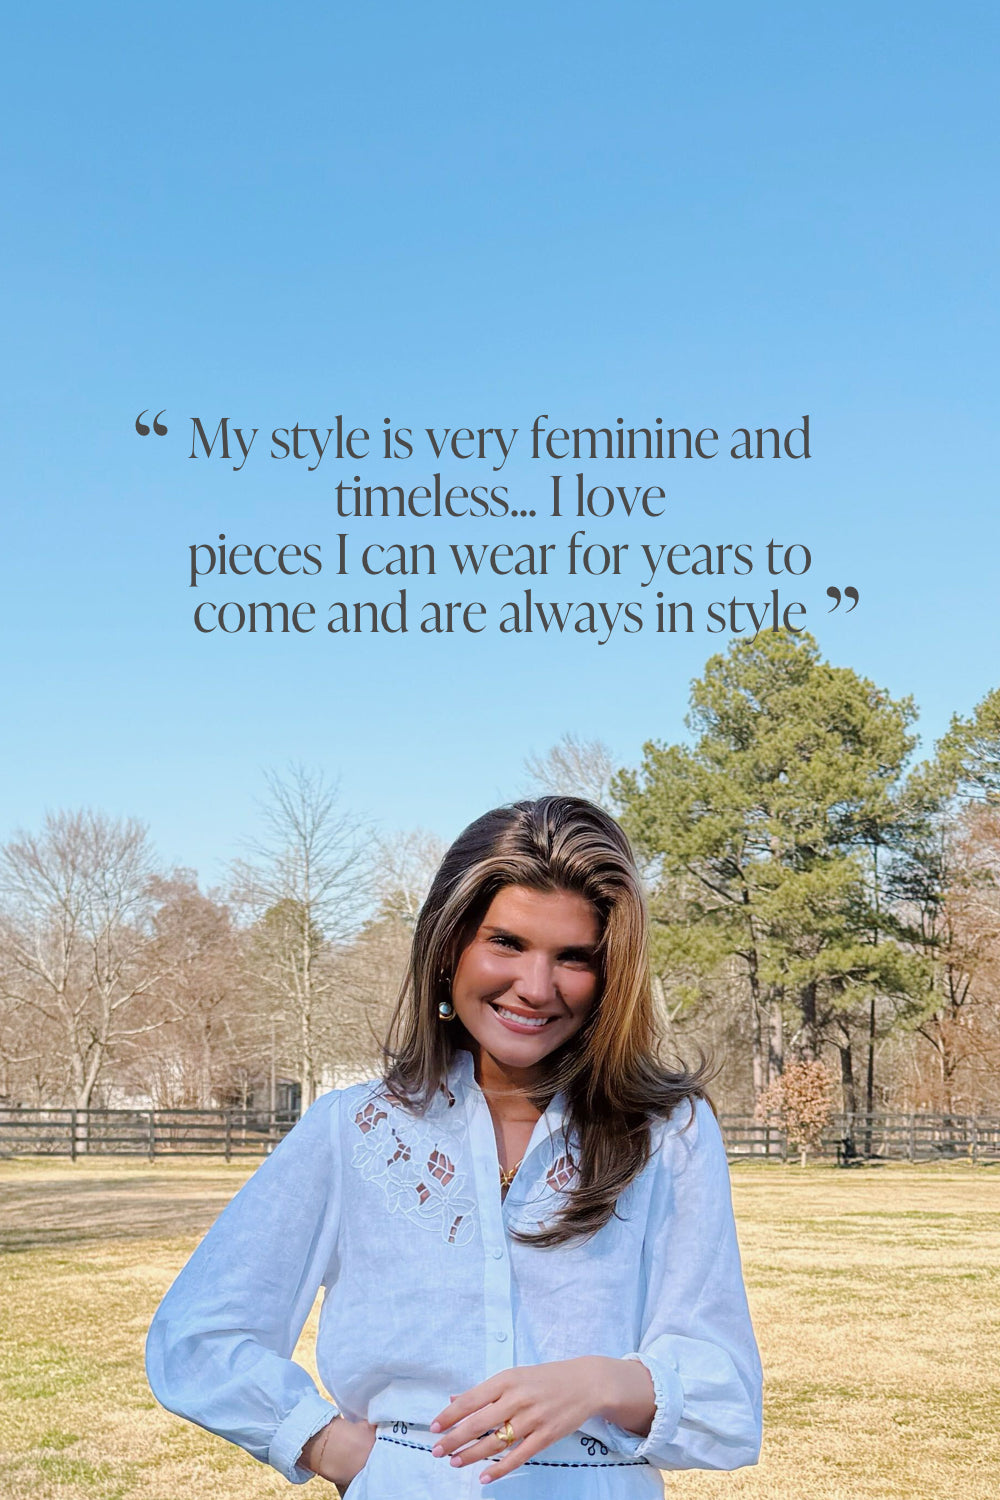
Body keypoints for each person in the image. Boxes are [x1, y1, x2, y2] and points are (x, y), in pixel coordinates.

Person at [146, 796, 762, 1497]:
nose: (536, 988)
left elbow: (726, 1397)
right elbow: (198, 1337)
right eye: (507, 943)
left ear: (609, 977)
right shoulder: (353, 1128)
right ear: (448, 948)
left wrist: (599, 1382)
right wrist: (332, 1447)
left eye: (574, 957)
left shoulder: (669, 1132)